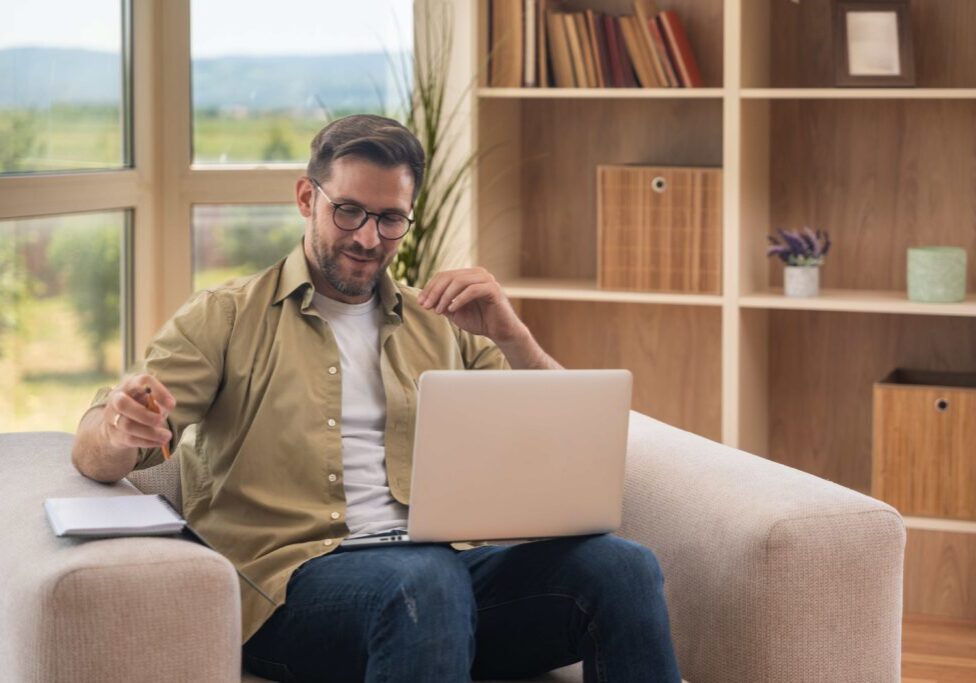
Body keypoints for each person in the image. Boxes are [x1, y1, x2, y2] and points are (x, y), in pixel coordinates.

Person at [71, 115, 681, 682]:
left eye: (390, 219)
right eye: (349, 212)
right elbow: (99, 453)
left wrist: (511, 335)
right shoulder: (226, 317)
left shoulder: (442, 322)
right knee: (424, 579)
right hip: (290, 593)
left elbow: (567, 442)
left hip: (444, 582)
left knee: (622, 569)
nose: (368, 238)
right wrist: (118, 430)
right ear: (307, 199)